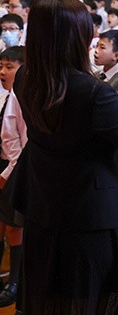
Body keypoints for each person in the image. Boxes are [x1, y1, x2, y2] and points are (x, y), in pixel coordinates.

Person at [6, 0, 118, 314]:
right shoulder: (93, 93)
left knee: (51, 298)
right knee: (93, 300)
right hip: (90, 217)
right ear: (78, 37)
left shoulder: (25, 77)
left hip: (44, 208)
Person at [0, 47, 26, 309]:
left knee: (16, 226)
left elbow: (19, 140)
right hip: (9, 166)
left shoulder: (23, 94)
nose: (3, 72)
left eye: (9, 67)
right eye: (1, 66)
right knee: (6, 224)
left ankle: (16, 283)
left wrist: (8, 173)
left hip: (19, 169)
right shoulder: (8, 95)